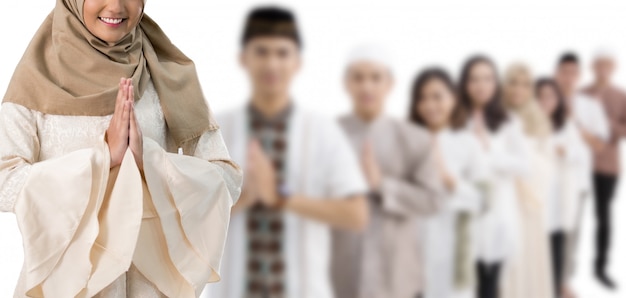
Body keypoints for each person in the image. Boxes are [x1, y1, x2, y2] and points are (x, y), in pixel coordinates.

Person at [0, 0, 242, 297]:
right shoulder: (37, 76)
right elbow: (4, 180)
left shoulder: (167, 73)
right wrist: (101, 160)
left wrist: (149, 161)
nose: (115, 6)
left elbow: (227, 180)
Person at [201, 7, 369, 298]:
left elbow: (357, 214)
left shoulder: (321, 130)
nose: (272, 64)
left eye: (282, 53)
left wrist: (280, 198)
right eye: (262, 52)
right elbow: (190, 219)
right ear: (244, 58)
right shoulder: (216, 129)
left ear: (297, 62)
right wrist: (244, 199)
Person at [332, 47, 445, 298]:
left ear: (390, 84)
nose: (367, 87)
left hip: (398, 277)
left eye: (375, 78)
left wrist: (381, 184)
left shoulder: (415, 138)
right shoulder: (329, 135)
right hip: (340, 274)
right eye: (358, 78)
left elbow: (434, 201)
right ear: (346, 83)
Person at [409, 67, 486, 298]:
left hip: (454, 249)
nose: (430, 105)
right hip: (413, 248)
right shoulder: (408, 139)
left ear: (453, 99)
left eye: (437, 96)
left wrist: (447, 178)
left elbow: (483, 200)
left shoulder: (467, 142)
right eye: (422, 98)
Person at [458, 55, 530, 298]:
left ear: (496, 83)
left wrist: (488, 149)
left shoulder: (510, 122)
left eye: (487, 79)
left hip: (498, 213)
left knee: (489, 284)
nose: (481, 85)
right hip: (463, 214)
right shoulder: (454, 120)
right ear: (464, 84)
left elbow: (524, 165)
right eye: (474, 79)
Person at [553, 52, 610, 296]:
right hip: (547, 179)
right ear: (556, 72)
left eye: (572, 72)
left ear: (579, 75)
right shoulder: (544, 99)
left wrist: (575, 122)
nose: (567, 77)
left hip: (577, 180)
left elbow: (599, 144)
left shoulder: (591, 106)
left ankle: (564, 282)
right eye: (563, 71)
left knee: (570, 232)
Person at [500, 63, 554, 298]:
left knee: (527, 255)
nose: (518, 90)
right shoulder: (497, 115)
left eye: (524, 84)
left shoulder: (538, 119)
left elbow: (547, 165)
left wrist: (524, 158)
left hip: (529, 202)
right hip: (503, 197)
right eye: (513, 82)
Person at [535, 78, 592, 298]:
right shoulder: (525, 125)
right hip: (536, 197)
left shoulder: (567, 125)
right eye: (539, 96)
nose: (545, 101)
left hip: (559, 197)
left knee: (557, 246)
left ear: (558, 100)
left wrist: (565, 151)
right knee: (535, 248)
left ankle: (557, 288)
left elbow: (582, 155)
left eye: (550, 96)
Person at [581, 48, 626, 290]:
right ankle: (565, 269)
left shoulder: (621, 95)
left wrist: (605, 120)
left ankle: (600, 268)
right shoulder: (580, 93)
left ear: (614, 68)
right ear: (592, 67)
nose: (603, 70)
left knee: (603, 216)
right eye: (599, 65)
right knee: (572, 215)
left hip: (608, 166)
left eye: (607, 66)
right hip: (579, 164)